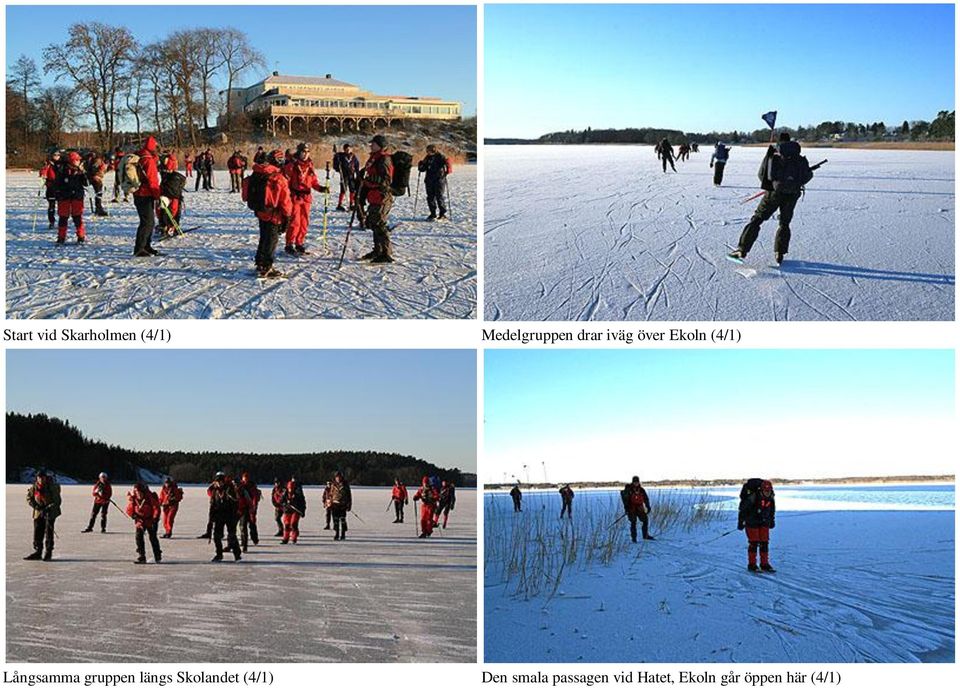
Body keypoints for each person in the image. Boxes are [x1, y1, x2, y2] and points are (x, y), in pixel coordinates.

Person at [728, 133, 812, 265]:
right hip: (792, 194)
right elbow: (807, 176)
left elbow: (761, 174)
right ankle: (780, 253)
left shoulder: (773, 155)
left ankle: (742, 249)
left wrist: (770, 185)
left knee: (757, 219)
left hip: (773, 193)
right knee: (784, 223)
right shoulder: (798, 157)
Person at [242, 149, 292, 279]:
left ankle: (260, 263)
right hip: (273, 214)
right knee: (271, 240)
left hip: (260, 212)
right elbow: (285, 200)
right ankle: (266, 267)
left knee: (264, 237)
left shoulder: (257, 173)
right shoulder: (277, 177)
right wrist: (287, 216)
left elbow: (245, 196)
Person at [281, 142, 328, 255]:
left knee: (304, 222)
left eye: (307, 152)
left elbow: (313, 181)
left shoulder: (309, 165)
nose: (306, 154)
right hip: (295, 197)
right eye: (303, 152)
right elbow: (285, 181)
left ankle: (299, 242)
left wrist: (321, 188)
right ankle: (289, 243)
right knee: (295, 222)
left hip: (306, 197)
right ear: (299, 152)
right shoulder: (292, 165)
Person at [358, 135, 395, 263]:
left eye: (373, 144)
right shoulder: (374, 158)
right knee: (374, 222)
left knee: (379, 223)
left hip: (382, 196)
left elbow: (386, 180)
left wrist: (369, 179)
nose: (371, 145)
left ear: (380, 145)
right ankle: (378, 250)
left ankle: (386, 253)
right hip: (373, 196)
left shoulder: (384, 159)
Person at [738, 479, 776, 572]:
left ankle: (764, 564)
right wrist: (741, 522)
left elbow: (772, 510)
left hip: (764, 522)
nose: (767, 493)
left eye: (769, 491)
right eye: (765, 491)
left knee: (764, 543)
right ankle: (752, 565)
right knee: (753, 543)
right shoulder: (753, 497)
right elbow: (743, 509)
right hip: (751, 522)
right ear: (761, 489)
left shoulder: (771, 497)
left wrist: (772, 521)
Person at [133, 135, 162, 257]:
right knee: (147, 222)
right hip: (145, 194)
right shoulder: (148, 160)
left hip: (140, 193)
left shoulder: (141, 156)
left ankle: (146, 246)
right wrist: (157, 196)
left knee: (148, 221)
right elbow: (152, 180)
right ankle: (139, 248)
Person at [25, 470, 61, 561]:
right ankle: (38, 551)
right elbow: (29, 498)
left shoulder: (52, 487)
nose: (41, 479)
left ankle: (48, 552)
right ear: (37, 478)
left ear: (45, 478)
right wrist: (36, 506)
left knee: (48, 532)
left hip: (50, 513)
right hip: (38, 513)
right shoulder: (35, 487)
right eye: (39, 477)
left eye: (42, 477)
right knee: (38, 531)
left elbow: (57, 501)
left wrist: (48, 508)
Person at [54, 151, 88, 245]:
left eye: (78, 160)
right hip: (64, 196)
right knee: (63, 217)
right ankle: (61, 237)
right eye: (77, 160)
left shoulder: (80, 171)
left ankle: (81, 236)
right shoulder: (62, 170)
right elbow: (57, 183)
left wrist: (83, 173)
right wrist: (57, 193)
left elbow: (86, 183)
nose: (78, 162)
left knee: (77, 217)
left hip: (77, 196)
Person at [208, 471, 242, 561]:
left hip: (230, 516)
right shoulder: (215, 491)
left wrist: (232, 497)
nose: (219, 482)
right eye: (217, 481)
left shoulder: (229, 489)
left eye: (221, 481)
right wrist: (211, 518)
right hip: (219, 516)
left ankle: (237, 554)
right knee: (216, 536)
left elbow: (236, 502)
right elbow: (212, 505)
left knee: (232, 536)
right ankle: (219, 554)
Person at [126, 481, 162, 564]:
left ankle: (157, 555)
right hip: (140, 521)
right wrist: (133, 515)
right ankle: (141, 556)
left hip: (150, 521)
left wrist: (155, 518)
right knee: (139, 538)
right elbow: (129, 509)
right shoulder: (134, 499)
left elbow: (156, 508)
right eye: (136, 492)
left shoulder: (149, 498)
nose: (138, 494)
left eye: (139, 492)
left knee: (153, 538)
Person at [417, 144, 453, 221]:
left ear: (433, 150)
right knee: (430, 197)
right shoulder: (427, 158)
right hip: (429, 180)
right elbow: (423, 169)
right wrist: (420, 165)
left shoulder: (440, 156)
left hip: (439, 180)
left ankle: (442, 214)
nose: (427, 152)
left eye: (428, 151)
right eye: (427, 151)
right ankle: (433, 213)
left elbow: (448, 163)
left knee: (439, 196)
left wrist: (447, 170)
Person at [620, 476, 654, 542]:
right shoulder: (628, 490)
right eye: (635, 482)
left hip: (640, 508)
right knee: (633, 523)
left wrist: (648, 506)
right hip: (631, 508)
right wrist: (626, 509)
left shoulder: (641, 490)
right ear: (632, 482)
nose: (636, 483)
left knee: (645, 520)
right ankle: (634, 539)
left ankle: (645, 535)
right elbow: (625, 500)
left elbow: (646, 499)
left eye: (637, 482)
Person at [237, 471, 262, 552]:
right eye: (244, 480)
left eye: (246, 480)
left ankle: (254, 538)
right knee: (243, 526)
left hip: (250, 509)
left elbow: (255, 498)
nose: (245, 481)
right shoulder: (240, 486)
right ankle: (244, 544)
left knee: (252, 524)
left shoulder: (252, 487)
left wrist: (253, 507)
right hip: (243, 509)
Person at [333, 143, 360, 211]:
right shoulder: (341, 156)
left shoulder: (353, 157)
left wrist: (358, 174)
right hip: (344, 175)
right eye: (346, 149)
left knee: (352, 189)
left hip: (351, 175)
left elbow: (357, 166)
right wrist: (338, 168)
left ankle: (351, 203)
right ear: (344, 150)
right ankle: (339, 204)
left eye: (349, 149)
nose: (348, 150)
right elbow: (335, 164)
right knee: (343, 189)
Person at [281, 477, 307, 544]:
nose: (290, 490)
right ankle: (285, 538)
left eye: (291, 488)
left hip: (296, 511)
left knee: (293, 524)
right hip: (287, 510)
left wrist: (303, 511)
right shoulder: (285, 493)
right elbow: (281, 501)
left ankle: (294, 538)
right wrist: (285, 504)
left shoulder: (298, 494)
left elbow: (302, 503)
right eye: (289, 488)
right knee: (286, 524)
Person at [40, 151, 62, 231]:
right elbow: (43, 172)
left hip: (60, 187)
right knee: (51, 205)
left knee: (62, 206)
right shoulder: (49, 164)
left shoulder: (62, 163)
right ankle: (52, 222)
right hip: (51, 187)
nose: (56, 156)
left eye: (58, 155)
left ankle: (62, 222)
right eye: (55, 155)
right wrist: (43, 173)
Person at [327, 471, 352, 541]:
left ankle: (343, 533)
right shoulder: (333, 485)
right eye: (337, 477)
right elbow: (330, 495)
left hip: (343, 505)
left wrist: (349, 505)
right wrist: (329, 502)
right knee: (335, 520)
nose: (338, 478)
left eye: (339, 477)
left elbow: (349, 496)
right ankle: (337, 534)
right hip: (335, 505)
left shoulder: (345, 485)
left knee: (342, 520)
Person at [85, 151, 109, 216]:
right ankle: (98, 208)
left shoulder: (97, 160)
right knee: (99, 193)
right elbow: (94, 169)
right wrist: (96, 175)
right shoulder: (98, 160)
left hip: (96, 178)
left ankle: (98, 208)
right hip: (96, 178)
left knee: (99, 193)